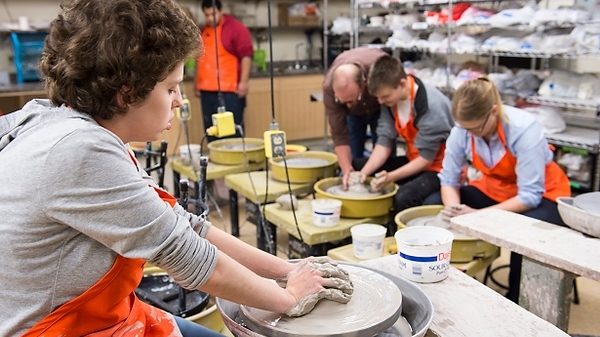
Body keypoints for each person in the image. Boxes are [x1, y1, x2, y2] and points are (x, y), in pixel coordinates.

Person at [0, 1, 351, 336]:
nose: (180, 101)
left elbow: (183, 225)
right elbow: (185, 255)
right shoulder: (79, 150)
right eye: (170, 88)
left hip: (103, 317)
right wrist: (290, 299)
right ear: (126, 93)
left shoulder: (73, 126)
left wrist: (287, 270)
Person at [425, 77, 571, 302]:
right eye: (466, 129)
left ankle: (518, 301)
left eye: (476, 129)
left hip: (544, 194)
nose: (470, 134)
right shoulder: (462, 130)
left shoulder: (524, 129)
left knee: (523, 234)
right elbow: (449, 180)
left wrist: (476, 216)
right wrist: (453, 208)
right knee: (433, 200)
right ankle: (444, 283)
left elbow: (529, 196)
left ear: (494, 112)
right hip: (498, 188)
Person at [354, 55, 453, 222]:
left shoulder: (431, 106)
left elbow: (425, 160)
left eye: (385, 97)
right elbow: (384, 141)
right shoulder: (390, 101)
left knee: (404, 196)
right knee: (359, 165)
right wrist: (363, 173)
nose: (381, 101)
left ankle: (395, 236)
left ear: (402, 83)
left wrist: (391, 177)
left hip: (438, 168)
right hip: (414, 159)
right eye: (378, 98)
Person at [322, 47, 387, 188]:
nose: (348, 105)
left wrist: (369, 171)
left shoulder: (379, 71)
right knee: (353, 157)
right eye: (343, 101)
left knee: (385, 159)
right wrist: (347, 170)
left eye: (351, 100)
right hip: (354, 117)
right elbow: (339, 134)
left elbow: (386, 140)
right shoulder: (329, 88)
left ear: (364, 84)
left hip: (381, 108)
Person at [195, 0, 253, 141]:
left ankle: (235, 161)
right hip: (207, 91)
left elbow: (246, 56)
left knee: (232, 132)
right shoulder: (203, 31)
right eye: (206, 15)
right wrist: (197, 82)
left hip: (230, 92)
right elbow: (200, 59)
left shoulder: (236, 28)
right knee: (211, 131)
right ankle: (215, 161)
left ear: (220, 11)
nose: (210, 18)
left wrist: (244, 82)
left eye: (213, 14)